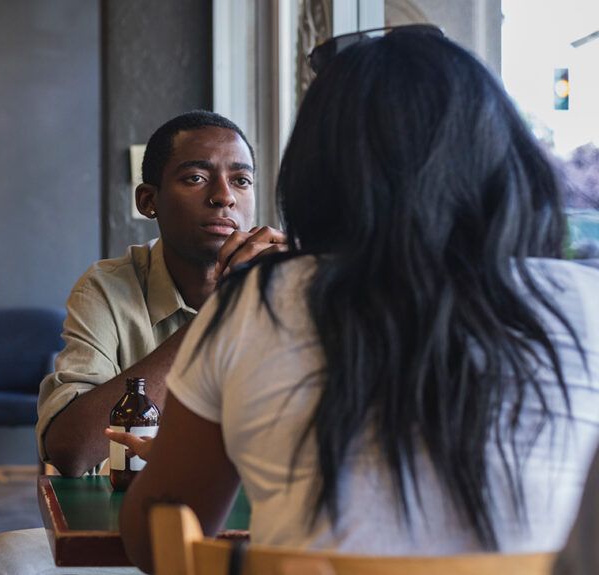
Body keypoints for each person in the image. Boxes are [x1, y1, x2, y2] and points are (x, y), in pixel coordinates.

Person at [118, 28, 599, 573]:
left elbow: (154, 542)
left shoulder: (256, 304)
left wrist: (175, 464)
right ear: (501, 160)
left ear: (317, 171)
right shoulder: (588, 304)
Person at [0, 111, 285, 575]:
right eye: (195, 177)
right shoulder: (109, 287)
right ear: (149, 201)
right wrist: (216, 319)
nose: (224, 197)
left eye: (242, 181)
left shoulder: (291, 285)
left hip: (274, 537)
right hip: (139, 534)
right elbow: (72, 451)